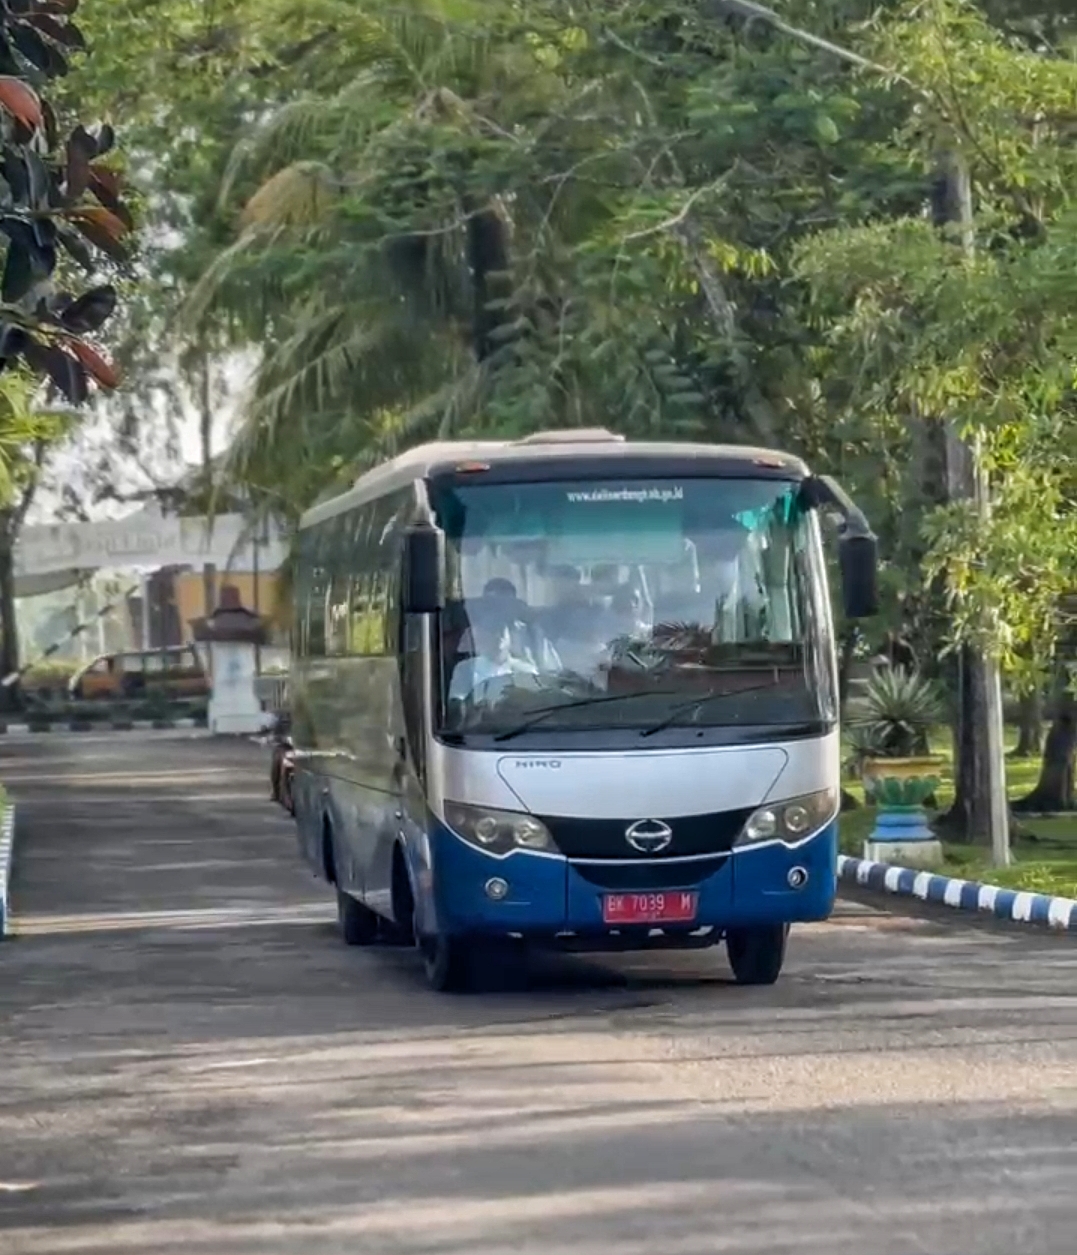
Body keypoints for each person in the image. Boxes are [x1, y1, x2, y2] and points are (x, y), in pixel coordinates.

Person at [448, 614, 539, 704]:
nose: (500, 635)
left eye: (503, 630)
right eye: (493, 631)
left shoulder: (526, 670)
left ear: (509, 635)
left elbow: (536, 700)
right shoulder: (466, 670)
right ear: (483, 637)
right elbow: (456, 704)